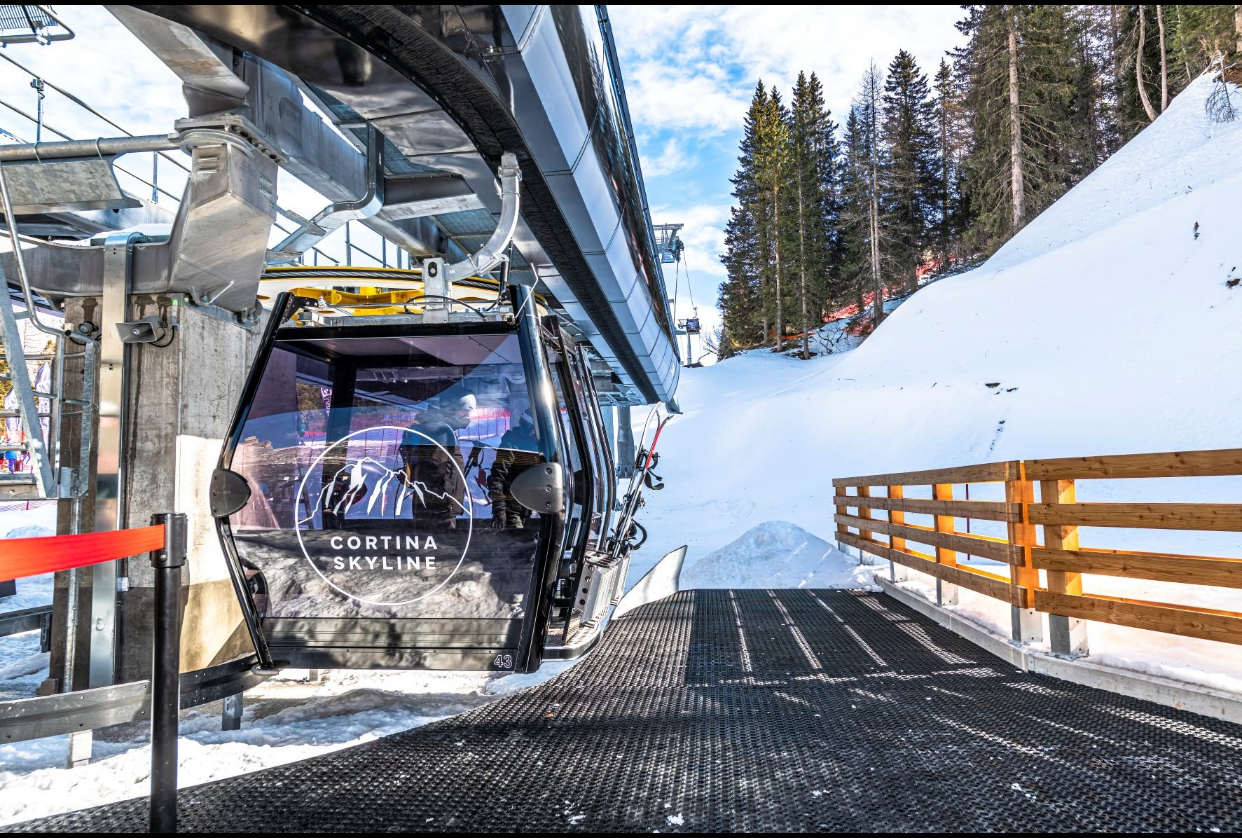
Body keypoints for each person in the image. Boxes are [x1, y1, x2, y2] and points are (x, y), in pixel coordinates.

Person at [398, 391, 473, 530]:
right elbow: (437, 470)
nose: (467, 416)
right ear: (452, 409)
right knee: (439, 546)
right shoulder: (439, 431)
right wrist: (445, 507)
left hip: (430, 505)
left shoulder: (437, 429)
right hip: (437, 510)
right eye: (464, 411)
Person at [487, 408, 541, 529]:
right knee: (517, 539)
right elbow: (496, 477)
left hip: (529, 506)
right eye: (532, 429)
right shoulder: (511, 444)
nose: (534, 433)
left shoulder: (537, 446)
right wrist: (499, 508)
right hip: (511, 507)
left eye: (536, 430)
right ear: (525, 427)